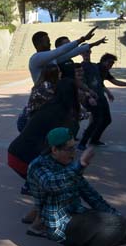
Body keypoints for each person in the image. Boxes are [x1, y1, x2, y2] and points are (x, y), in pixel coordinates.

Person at [27, 127, 126, 246]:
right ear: (54, 150)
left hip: (76, 215)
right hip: (58, 222)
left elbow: (91, 195)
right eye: (69, 148)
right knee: (117, 225)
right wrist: (80, 165)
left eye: (74, 147)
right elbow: (52, 184)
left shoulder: (67, 164)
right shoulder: (38, 166)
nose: (73, 152)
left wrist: (117, 216)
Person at [8, 79, 81, 232]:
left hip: (15, 153)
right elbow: (59, 146)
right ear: (73, 95)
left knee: (47, 184)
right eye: (79, 91)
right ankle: (37, 225)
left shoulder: (51, 106)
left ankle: (32, 214)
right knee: (56, 186)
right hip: (23, 158)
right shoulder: (62, 114)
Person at [78, 52, 126, 149]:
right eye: (109, 63)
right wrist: (88, 95)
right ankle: (83, 142)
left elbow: (110, 81)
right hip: (92, 96)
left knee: (107, 120)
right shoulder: (91, 67)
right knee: (96, 120)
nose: (110, 65)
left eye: (112, 63)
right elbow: (83, 82)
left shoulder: (100, 69)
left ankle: (94, 139)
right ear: (103, 61)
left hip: (100, 96)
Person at [28, 28, 105, 84]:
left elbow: (73, 52)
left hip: (54, 95)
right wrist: (82, 39)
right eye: (47, 41)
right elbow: (60, 51)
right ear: (39, 43)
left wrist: (94, 44)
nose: (50, 44)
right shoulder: (35, 58)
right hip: (43, 96)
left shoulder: (52, 59)